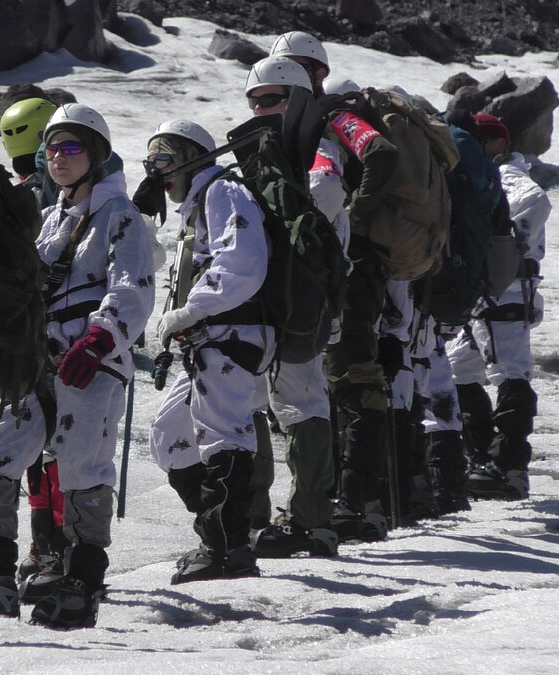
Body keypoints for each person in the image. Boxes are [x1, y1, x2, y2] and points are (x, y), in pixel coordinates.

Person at [13, 103, 155, 627]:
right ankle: (32, 563)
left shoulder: (120, 217)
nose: (57, 158)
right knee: (23, 456)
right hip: (43, 363)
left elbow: (133, 285)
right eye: (51, 148)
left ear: (95, 156)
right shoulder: (52, 219)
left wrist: (99, 340)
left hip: (90, 366)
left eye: (71, 148)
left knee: (81, 464)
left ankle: (83, 579)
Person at [272, 31, 399, 542]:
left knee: (351, 378)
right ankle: (348, 501)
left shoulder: (331, 116)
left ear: (319, 73)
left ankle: (358, 505)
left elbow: (381, 153)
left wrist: (355, 214)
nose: (293, 77)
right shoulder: (297, 122)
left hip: (349, 262)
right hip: (331, 262)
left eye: (301, 67)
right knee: (330, 381)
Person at [145, 117, 274, 583]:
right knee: (169, 434)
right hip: (208, 338)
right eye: (150, 160)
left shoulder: (223, 191)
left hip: (231, 333)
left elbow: (242, 261)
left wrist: (192, 310)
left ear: (192, 155)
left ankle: (228, 549)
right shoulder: (198, 204)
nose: (155, 170)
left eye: (164, 158)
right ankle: (219, 534)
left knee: (224, 433)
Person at [242, 55, 344, 558]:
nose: (261, 110)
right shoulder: (277, 153)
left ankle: (310, 518)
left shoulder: (314, 157)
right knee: (264, 402)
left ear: (297, 100)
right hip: (275, 300)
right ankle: (264, 512)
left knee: (301, 402)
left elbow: (319, 205)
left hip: (302, 299)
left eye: (272, 100)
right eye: (254, 101)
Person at [450, 113, 550, 500]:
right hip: (491, 291)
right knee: (459, 370)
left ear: (497, 144)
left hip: (503, 289)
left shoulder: (508, 176)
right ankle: (484, 459)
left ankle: (508, 466)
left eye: (479, 141)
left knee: (509, 371)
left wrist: (502, 248)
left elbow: (536, 204)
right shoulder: (491, 176)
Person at [0, 97, 69, 596]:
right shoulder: (80, 190)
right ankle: (52, 544)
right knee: (54, 448)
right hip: (63, 334)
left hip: (33, 337)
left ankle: (49, 546)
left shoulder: (29, 197)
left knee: (38, 447)